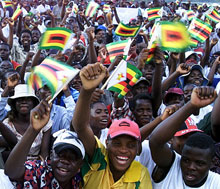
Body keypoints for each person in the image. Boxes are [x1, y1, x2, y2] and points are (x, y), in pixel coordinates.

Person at [72, 63, 152, 188]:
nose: (124, 150)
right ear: (106, 143)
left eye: (131, 145)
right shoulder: (99, 157)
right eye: (117, 143)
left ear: (138, 150)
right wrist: (86, 91)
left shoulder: (141, 173)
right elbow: (80, 127)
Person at [149, 86, 220, 188]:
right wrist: (191, 105)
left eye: (199, 163)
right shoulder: (172, 165)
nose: (191, 167)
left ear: (211, 162)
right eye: (186, 160)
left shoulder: (216, 182)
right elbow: (155, 141)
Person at [4, 99, 85, 188]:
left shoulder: (80, 182)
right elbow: (11, 172)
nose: (65, 161)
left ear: (80, 166)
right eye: (60, 155)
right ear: (51, 156)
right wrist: (33, 130)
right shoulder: (39, 172)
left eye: (72, 158)